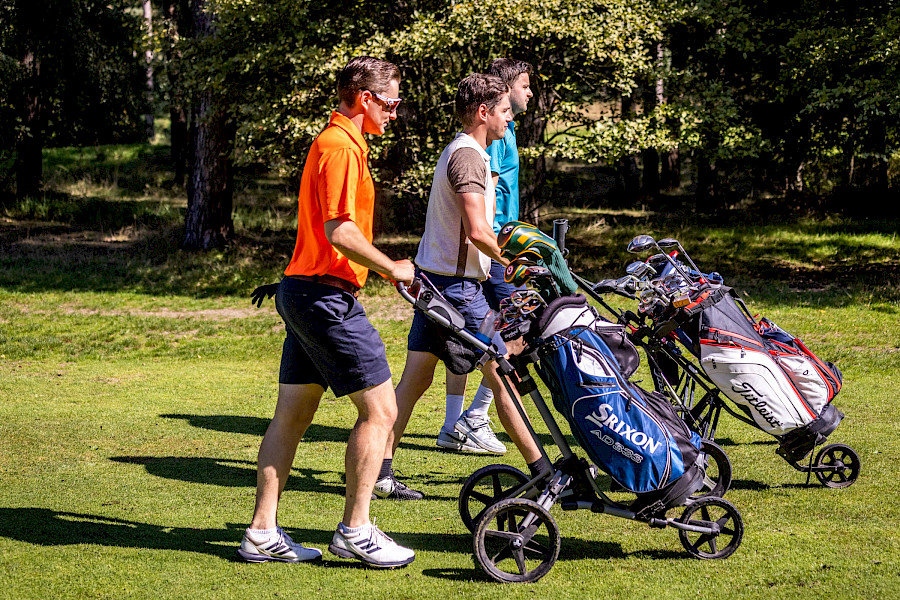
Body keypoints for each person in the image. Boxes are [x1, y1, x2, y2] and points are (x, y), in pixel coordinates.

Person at [237, 56, 416, 569]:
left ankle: (261, 533)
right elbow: (340, 231)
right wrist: (392, 267)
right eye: (392, 104)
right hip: (323, 298)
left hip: (304, 292)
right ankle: (356, 530)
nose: (395, 114)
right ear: (366, 98)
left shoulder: (341, 144)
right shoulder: (340, 147)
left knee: (292, 415)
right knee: (381, 411)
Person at [376, 73, 550, 498]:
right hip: (455, 289)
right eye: (505, 111)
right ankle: (544, 472)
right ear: (483, 112)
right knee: (503, 371)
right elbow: (477, 231)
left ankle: (379, 472)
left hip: (433, 282)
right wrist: (516, 262)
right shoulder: (469, 157)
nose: (510, 118)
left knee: (414, 383)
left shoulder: (465, 151)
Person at [436, 59, 534, 456]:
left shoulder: (497, 132)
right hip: (493, 249)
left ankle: (453, 423)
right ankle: (474, 417)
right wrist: (504, 254)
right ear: (503, 93)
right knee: (512, 337)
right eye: (524, 86)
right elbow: (484, 201)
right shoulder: (494, 138)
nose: (529, 93)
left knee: (460, 343)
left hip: (486, 251)